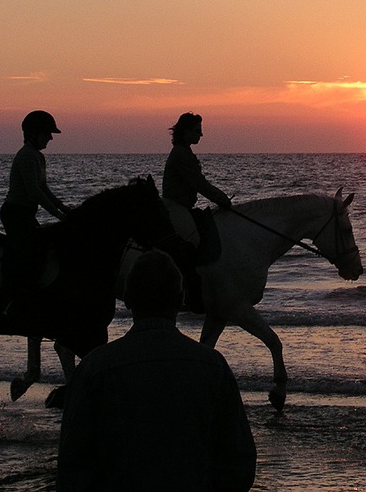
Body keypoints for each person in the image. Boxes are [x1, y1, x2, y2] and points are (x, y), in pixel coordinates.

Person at [57, 249, 256, 491]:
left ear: (127, 300)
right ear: (180, 300)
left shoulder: (94, 367)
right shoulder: (212, 366)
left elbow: (72, 464)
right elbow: (238, 461)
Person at [0, 110, 70, 289]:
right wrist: (58, 216)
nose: (50, 138)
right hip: (16, 214)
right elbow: (34, 192)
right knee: (30, 256)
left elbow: (44, 188)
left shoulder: (38, 156)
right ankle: (15, 295)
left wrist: (63, 207)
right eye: (47, 134)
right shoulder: (27, 156)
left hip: (26, 213)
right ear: (34, 134)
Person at [162, 112, 231, 248]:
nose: (201, 134)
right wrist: (222, 199)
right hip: (175, 206)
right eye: (197, 131)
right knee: (193, 241)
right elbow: (200, 184)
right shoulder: (181, 154)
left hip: (183, 206)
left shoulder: (184, 151)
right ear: (186, 131)